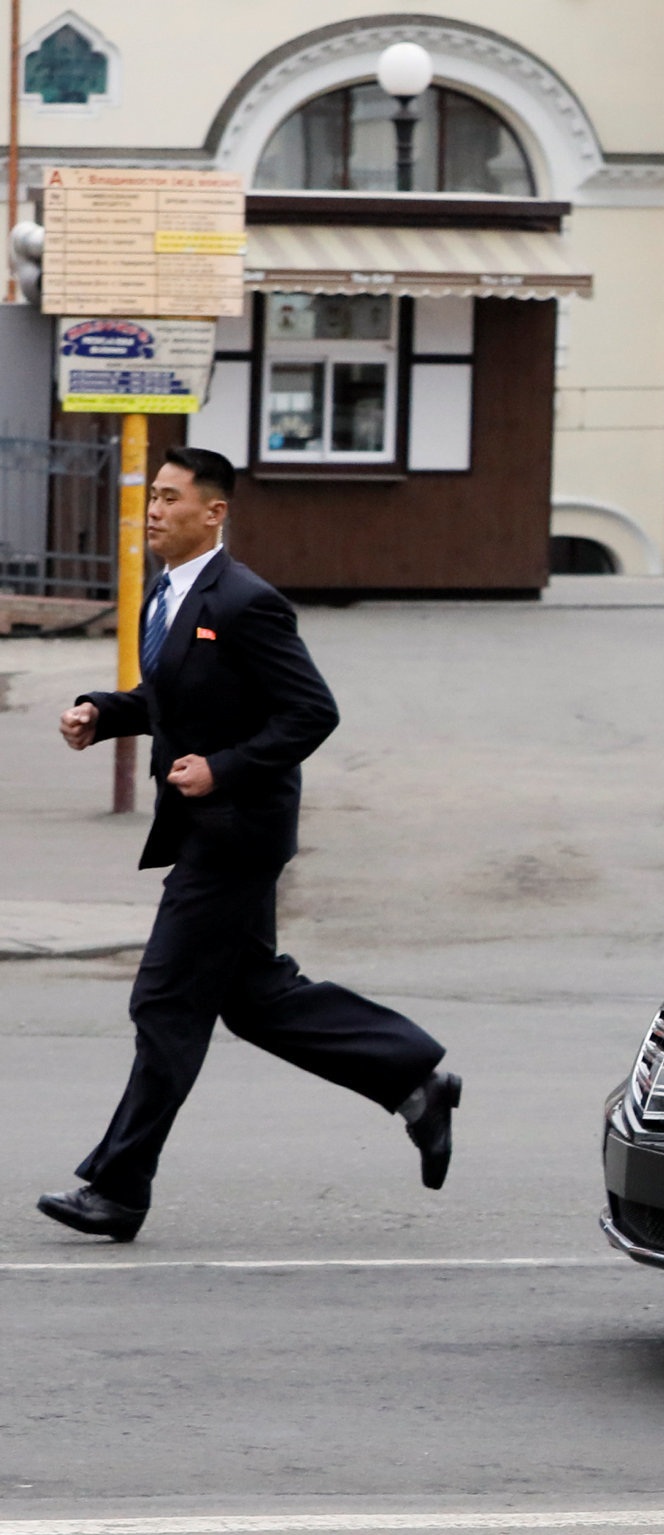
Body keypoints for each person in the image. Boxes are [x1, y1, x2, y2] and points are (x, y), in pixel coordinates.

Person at [39, 447, 458, 1243]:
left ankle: (119, 1188)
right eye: (153, 496)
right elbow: (171, 697)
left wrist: (223, 769)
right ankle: (415, 1083)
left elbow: (311, 712)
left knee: (164, 1000)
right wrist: (102, 712)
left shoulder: (246, 602)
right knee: (256, 998)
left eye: (170, 497)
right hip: (208, 828)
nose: (154, 509)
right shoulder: (167, 591)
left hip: (236, 833)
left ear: (214, 511)